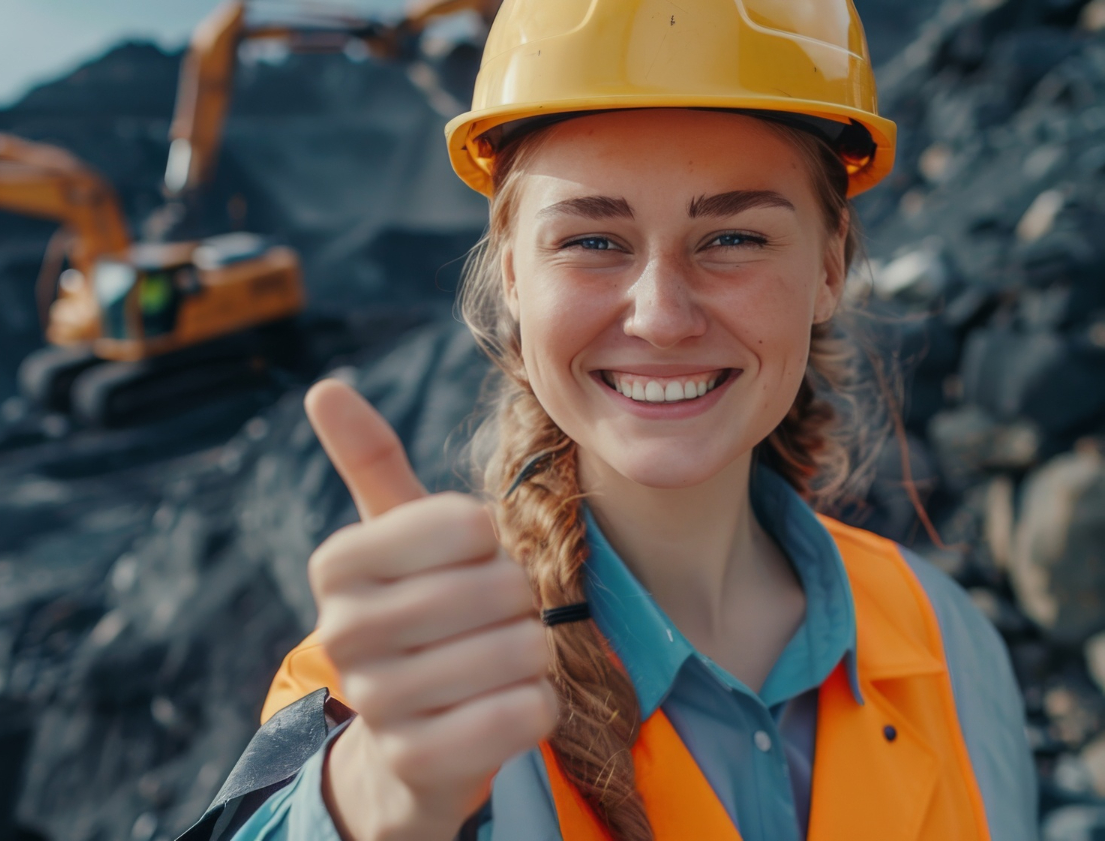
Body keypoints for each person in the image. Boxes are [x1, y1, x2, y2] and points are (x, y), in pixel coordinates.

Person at [177, 0, 1036, 838]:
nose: (662, 316)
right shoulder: (396, 684)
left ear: (829, 265)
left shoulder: (947, 638)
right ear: (512, 276)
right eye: (593, 242)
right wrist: (376, 797)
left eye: (734, 238)